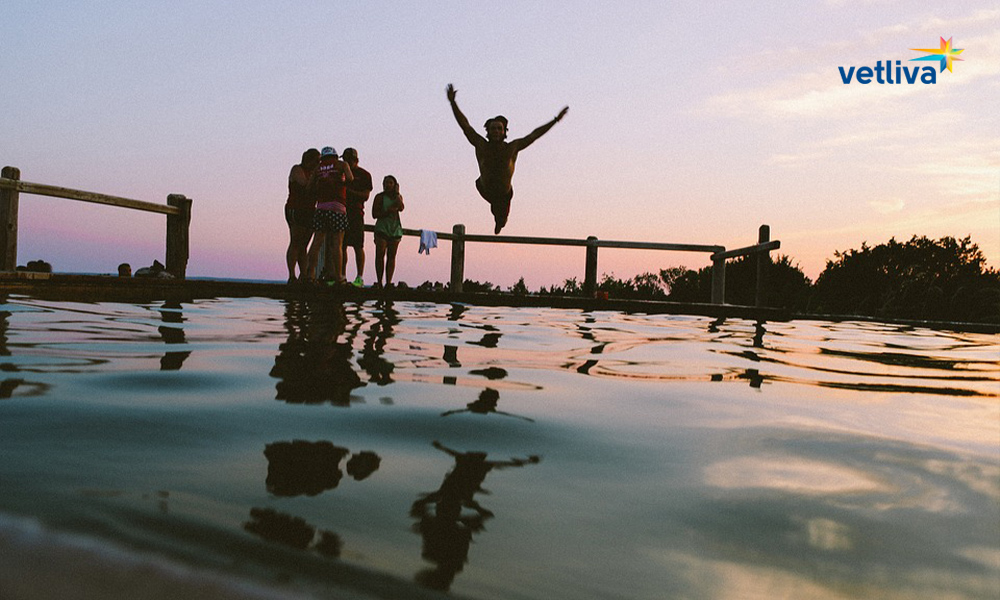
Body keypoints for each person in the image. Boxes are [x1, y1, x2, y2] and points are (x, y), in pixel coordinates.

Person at [446, 83, 568, 234]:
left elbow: (534, 135)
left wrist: (555, 120)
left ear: (504, 132)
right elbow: (465, 126)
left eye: (499, 128)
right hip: (485, 189)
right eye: (493, 129)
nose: (496, 131)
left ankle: (499, 222)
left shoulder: (512, 147)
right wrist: (453, 103)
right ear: (488, 132)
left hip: (504, 195)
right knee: (494, 207)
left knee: (501, 219)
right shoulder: (481, 145)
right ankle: (497, 217)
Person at [306, 147, 353, 285]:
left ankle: (310, 275)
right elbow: (350, 179)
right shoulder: (342, 165)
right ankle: (338, 277)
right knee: (337, 243)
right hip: (337, 206)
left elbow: (309, 188)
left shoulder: (318, 168)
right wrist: (340, 183)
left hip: (321, 207)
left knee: (317, 242)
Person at [285, 148, 321, 283]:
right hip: (296, 208)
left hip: (310, 210)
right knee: (296, 241)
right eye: (317, 160)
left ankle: (304, 275)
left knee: (304, 244)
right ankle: (292, 275)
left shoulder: (315, 174)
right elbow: (305, 185)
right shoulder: (297, 169)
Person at [340, 148, 373, 287]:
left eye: (349, 160)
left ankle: (359, 277)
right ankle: (342, 276)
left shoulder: (364, 175)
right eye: (345, 160)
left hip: (356, 214)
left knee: (358, 246)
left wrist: (348, 192)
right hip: (341, 212)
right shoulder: (340, 172)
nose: (346, 162)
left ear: (356, 160)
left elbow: (365, 196)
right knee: (342, 246)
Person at [371, 175, 404, 288]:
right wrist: (387, 212)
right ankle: (379, 281)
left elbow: (401, 207)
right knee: (380, 255)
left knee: (392, 256)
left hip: (395, 229)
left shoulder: (398, 197)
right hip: (382, 228)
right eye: (386, 183)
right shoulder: (379, 197)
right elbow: (374, 214)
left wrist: (397, 194)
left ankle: (388, 282)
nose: (388, 185)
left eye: (390, 183)